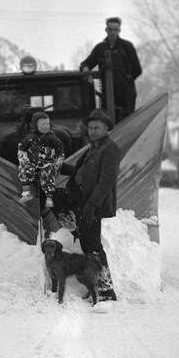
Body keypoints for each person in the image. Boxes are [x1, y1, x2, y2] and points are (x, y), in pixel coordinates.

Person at [63, 108, 120, 302]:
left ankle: (106, 290)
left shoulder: (109, 148)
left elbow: (106, 181)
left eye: (97, 127)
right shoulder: (94, 148)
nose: (93, 131)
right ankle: (100, 285)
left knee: (94, 247)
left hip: (92, 207)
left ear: (106, 128)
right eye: (90, 128)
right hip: (84, 204)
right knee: (88, 246)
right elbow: (84, 172)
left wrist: (91, 206)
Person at [80, 17, 142, 121]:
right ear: (106, 30)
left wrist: (126, 82)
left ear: (119, 30)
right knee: (108, 121)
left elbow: (137, 69)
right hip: (107, 95)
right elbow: (87, 63)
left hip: (126, 96)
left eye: (115, 29)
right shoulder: (100, 48)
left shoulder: (127, 47)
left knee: (127, 121)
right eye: (110, 29)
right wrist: (86, 70)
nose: (112, 32)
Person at [18, 111, 64, 209]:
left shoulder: (52, 138)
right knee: (25, 171)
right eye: (43, 124)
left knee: (48, 174)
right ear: (35, 125)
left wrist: (56, 164)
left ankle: (49, 197)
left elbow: (60, 151)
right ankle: (26, 193)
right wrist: (24, 161)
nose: (46, 126)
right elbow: (22, 150)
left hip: (47, 163)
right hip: (32, 163)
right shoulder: (29, 138)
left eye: (48, 124)